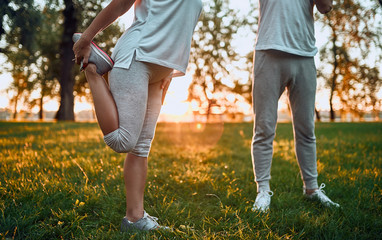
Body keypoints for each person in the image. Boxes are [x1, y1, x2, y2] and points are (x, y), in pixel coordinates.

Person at [72, 0, 202, 231]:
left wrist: (170, 72)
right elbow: (121, 4)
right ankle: (93, 70)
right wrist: (86, 39)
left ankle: (135, 219)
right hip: (136, 56)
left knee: (141, 147)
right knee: (122, 140)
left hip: (162, 68)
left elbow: (181, 25)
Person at [250, 0, 340, 212]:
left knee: (306, 129)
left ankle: (312, 189)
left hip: (305, 55)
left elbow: (326, 7)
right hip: (269, 51)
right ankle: (263, 191)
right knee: (264, 128)